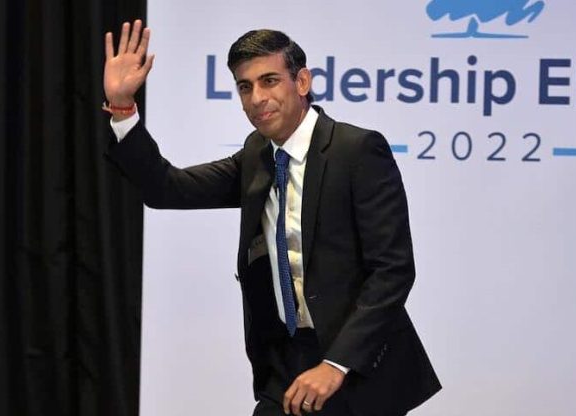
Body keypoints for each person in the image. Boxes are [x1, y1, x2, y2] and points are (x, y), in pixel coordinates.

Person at [102, 20, 440, 416]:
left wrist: (336, 364)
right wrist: (123, 108)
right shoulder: (258, 154)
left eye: (269, 81)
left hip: (356, 371)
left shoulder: (357, 150)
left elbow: (393, 271)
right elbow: (167, 189)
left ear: (301, 83)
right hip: (285, 369)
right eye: (245, 87)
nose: (257, 97)